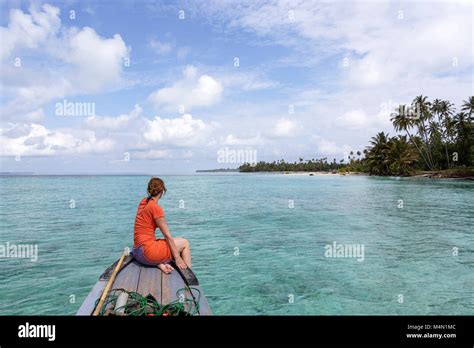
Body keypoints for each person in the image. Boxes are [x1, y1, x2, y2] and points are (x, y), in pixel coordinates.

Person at [132, 177, 191, 274]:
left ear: (149, 190)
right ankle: (189, 277)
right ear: (162, 191)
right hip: (147, 253)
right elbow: (167, 236)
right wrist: (178, 258)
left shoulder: (143, 202)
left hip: (137, 252)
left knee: (170, 240)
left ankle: (160, 264)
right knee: (184, 243)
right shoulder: (156, 208)